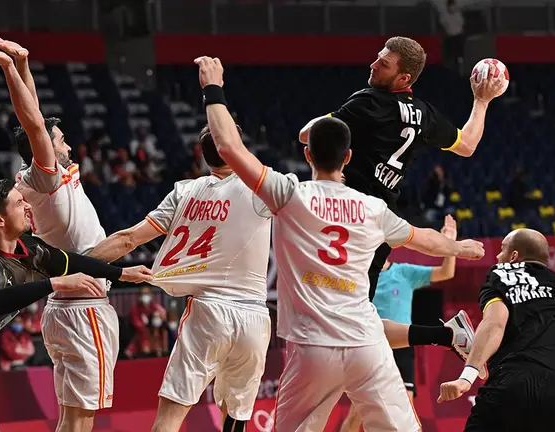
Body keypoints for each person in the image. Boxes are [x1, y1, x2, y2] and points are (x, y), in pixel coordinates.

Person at [194, 56, 484, 431]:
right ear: (347, 158)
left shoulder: (288, 193)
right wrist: (458, 248)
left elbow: (229, 148)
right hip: (367, 343)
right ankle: (444, 335)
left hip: (312, 349)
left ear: (308, 155)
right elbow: (422, 238)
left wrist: (213, 88)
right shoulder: (374, 209)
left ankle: (443, 335)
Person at [298, 36, 505, 365]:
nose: (373, 65)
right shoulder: (423, 113)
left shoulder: (367, 103)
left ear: (403, 77)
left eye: (383, 64)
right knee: (357, 319)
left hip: (347, 214)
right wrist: (481, 101)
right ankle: (447, 335)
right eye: (377, 58)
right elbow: (467, 144)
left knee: (339, 321)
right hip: (380, 221)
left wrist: (332, 116)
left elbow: (308, 135)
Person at [0, 179, 153, 432]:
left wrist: (120, 274)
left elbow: (73, 262)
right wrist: (54, 284)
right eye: (19, 203)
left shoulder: (30, 250)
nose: (28, 207)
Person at [0, 34, 119, 432]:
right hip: (82, 305)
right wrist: (8, 70)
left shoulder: (35, 178)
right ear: (46, 152)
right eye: (61, 141)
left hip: (63, 307)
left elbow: (36, 119)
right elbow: (33, 122)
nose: (67, 144)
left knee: (71, 417)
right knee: (82, 418)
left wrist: (22, 63)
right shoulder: (46, 179)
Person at [89, 124, 273, 432]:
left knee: (169, 420)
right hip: (254, 316)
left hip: (208, 314)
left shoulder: (185, 191)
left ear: (202, 155)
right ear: (236, 146)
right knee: (235, 421)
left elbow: (128, 239)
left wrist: (72, 264)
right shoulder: (258, 187)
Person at [438, 228, 555, 432]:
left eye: (502, 250)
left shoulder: (501, 274)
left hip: (516, 387)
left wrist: (466, 378)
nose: (498, 256)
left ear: (513, 256)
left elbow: (494, 324)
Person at [340, 214, 459, 432]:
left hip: (401, 346)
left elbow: (446, 272)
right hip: (370, 345)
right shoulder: (358, 276)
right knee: (357, 413)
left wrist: (450, 244)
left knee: (407, 408)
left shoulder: (404, 272)